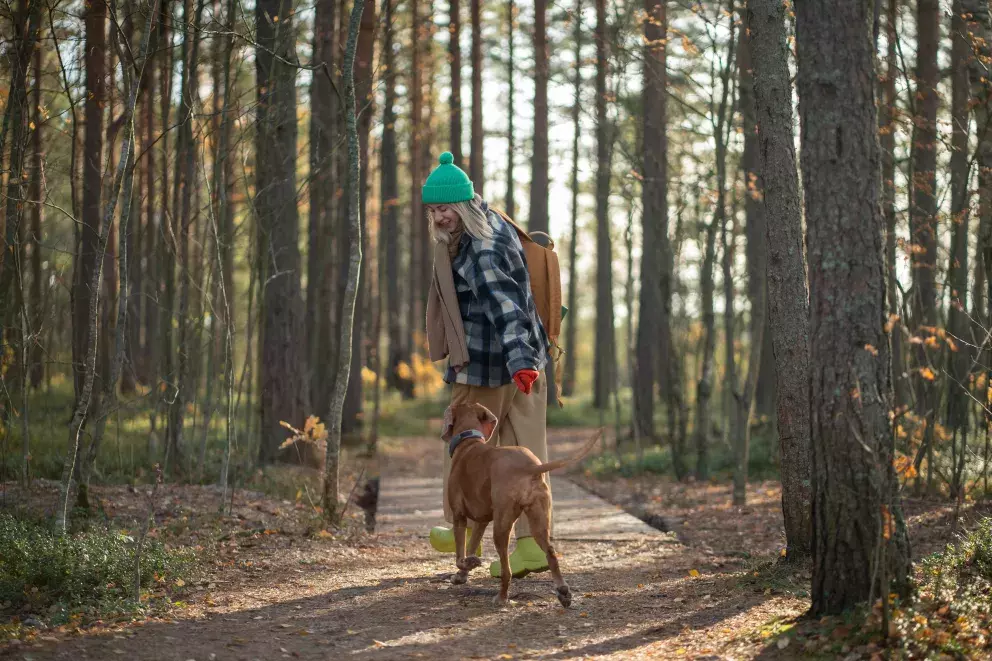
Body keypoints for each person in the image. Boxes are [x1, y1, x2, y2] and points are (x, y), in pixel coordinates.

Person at [424, 151, 553, 578]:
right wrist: (527, 362)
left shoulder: (479, 249)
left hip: (487, 364)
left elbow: (506, 306)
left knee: (463, 445)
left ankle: (457, 522)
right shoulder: (493, 221)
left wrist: (519, 361)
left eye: (444, 208)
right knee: (527, 456)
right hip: (528, 358)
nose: (439, 217)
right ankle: (534, 545)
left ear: (462, 205)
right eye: (433, 210)